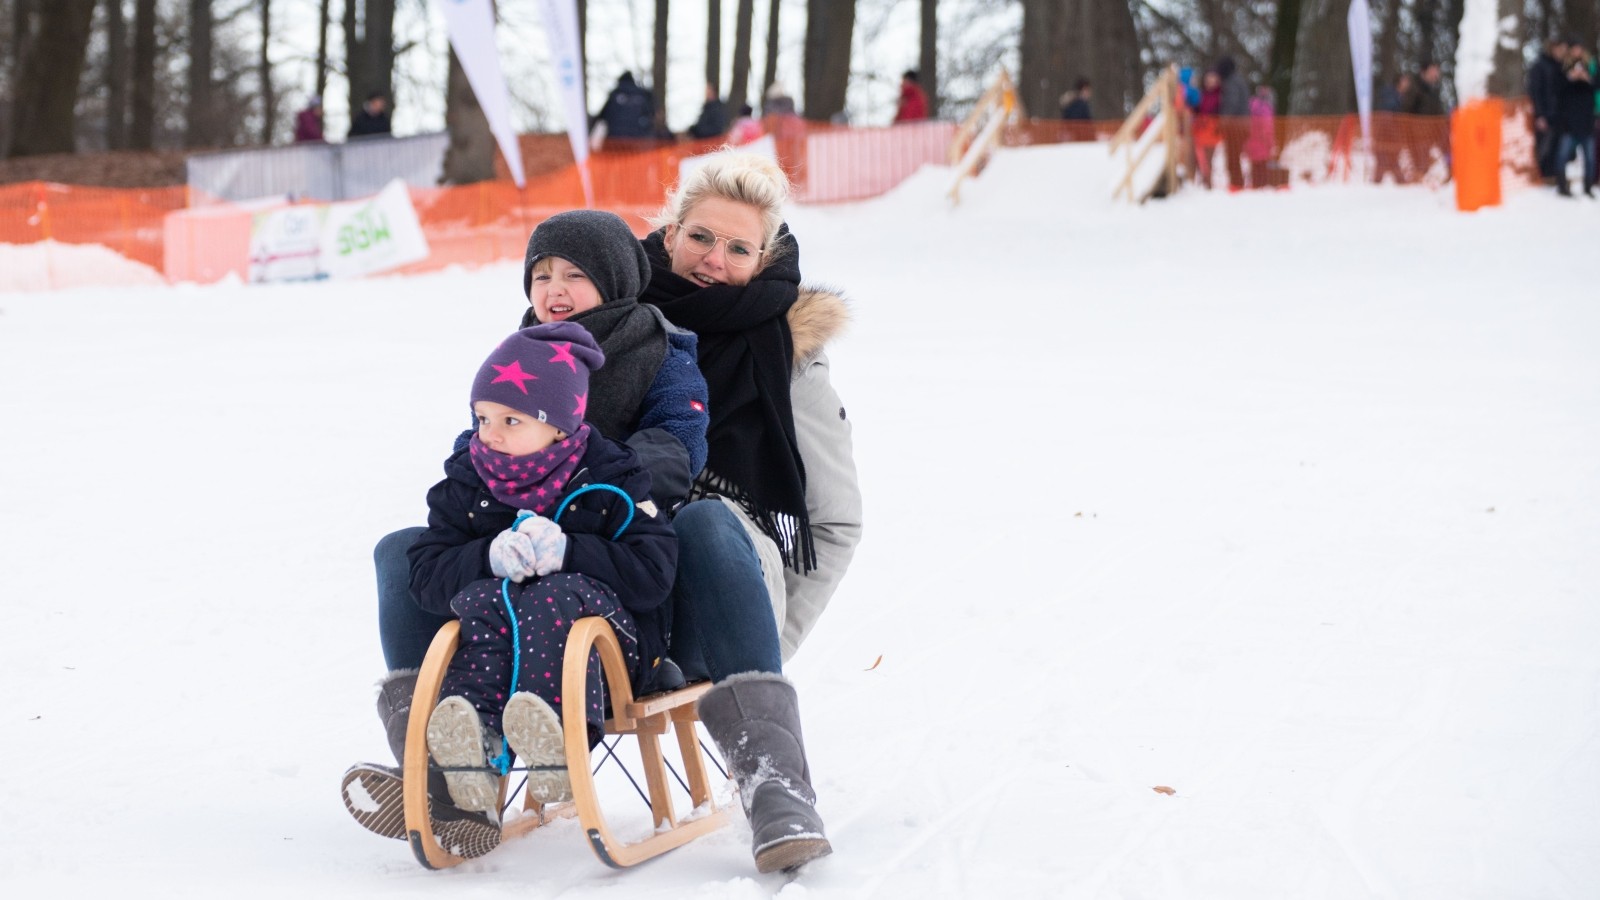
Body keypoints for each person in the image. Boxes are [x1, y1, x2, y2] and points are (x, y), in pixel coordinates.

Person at [340, 210, 710, 858]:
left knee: (550, 597)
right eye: (540, 274)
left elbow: (674, 447)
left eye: (574, 274)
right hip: (519, 552)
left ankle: (536, 746)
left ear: (616, 280)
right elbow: (474, 466)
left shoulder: (658, 349)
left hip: (608, 547)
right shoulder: (517, 363)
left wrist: (578, 484)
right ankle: (439, 764)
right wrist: (494, 489)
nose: (553, 288)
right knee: (413, 558)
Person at [637, 152, 863, 873]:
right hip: (617, 578)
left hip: (717, 602)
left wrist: (766, 641)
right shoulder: (612, 322)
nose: (715, 259)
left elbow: (836, 523)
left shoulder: (787, 349)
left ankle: (777, 788)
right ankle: (459, 767)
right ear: (670, 233)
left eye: (739, 249)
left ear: (762, 259)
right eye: (702, 237)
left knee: (706, 522)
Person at [415, 321, 677, 817]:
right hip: (504, 644)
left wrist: (571, 552)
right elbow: (425, 574)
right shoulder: (467, 481)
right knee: (483, 602)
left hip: (607, 650)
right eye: (481, 418)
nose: (489, 435)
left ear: (558, 425)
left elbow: (654, 572)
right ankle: (478, 746)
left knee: (551, 594)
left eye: (511, 421)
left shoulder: (610, 479)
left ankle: (557, 738)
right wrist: (485, 557)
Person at [1555, 46, 1597, 197]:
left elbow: (1595, 86)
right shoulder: (1563, 67)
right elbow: (1558, 89)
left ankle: (1588, 187)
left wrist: (1587, 79)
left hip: (1586, 120)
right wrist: (1570, 78)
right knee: (1563, 155)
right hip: (1569, 121)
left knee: (1590, 158)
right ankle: (1561, 185)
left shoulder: (1591, 66)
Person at [1529, 36, 1572, 181]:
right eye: (1560, 49)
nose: (1562, 52)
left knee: (1556, 146)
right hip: (1545, 114)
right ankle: (1539, 175)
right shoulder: (1540, 66)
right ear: (1553, 48)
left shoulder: (1560, 66)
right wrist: (1540, 115)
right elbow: (1536, 91)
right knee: (1543, 147)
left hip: (1558, 115)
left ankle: (1551, 176)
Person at [1215, 56, 1251, 191]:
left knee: (1233, 155)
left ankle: (1236, 183)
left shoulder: (1231, 82)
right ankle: (1237, 182)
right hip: (1243, 124)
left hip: (1235, 125)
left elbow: (1231, 104)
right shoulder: (1238, 80)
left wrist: (1222, 122)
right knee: (1235, 154)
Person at [596, 72, 656, 141]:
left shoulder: (615, 94)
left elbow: (603, 115)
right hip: (638, 139)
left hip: (616, 138)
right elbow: (651, 114)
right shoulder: (643, 94)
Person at [1192, 68, 1223, 188]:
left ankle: (1208, 184)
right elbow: (1197, 109)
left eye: (1212, 80)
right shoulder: (1201, 94)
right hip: (1201, 130)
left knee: (1208, 158)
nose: (1210, 82)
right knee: (1200, 158)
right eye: (1208, 80)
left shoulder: (1219, 95)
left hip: (1212, 130)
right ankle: (1202, 182)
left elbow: (1220, 111)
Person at [1245, 84, 1278, 189]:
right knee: (1262, 164)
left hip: (1251, 139)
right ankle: (1262, 185)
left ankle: (1255, 183)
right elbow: (1268, 128)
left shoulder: (1251, 105)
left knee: (1254, 164)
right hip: (1262, 141)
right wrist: (1271, 142)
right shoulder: (1266, 108)